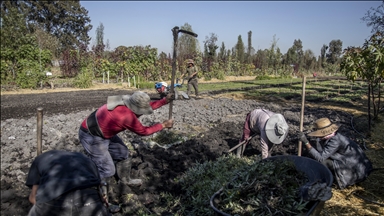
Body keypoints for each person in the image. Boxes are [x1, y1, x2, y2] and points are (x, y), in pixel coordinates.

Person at [78, 91, 174, 202]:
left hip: (105, 131)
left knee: (123, 153)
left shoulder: (126, 102)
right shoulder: (125, 116)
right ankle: (101, 198)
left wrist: (164, 101)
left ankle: (125, 179)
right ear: (134, 107)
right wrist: (163, 125)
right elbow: (143, 131)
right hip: (92, 135)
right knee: (107, 169)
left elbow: (147, 106)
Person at [25, 150, 110, 216]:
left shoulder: (41, 159)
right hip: (88, 199)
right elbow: (100, 192)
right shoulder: (87, 160)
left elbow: (33, 199)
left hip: (53, 200)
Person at [299, 117, 373, 189]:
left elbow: (320, 158)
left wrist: (306, 142)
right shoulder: (333, 135)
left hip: (354, 170)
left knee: (322, 163)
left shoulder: (335, 141)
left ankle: (332, 180)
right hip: (352, 163)